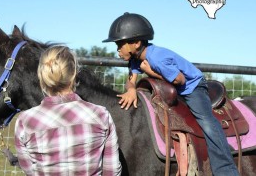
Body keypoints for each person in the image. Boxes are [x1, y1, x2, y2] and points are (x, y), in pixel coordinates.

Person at [102, 12, 239, 176]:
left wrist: (149, 71)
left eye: (120, 45)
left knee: (206, 121)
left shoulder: (156, 59)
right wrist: (131, 89)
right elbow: (131, 79)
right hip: (175, 88)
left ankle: (227, 170)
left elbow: (179, 80)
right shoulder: (135, 59)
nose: (117, 50)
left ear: (136, 43)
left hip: (192, 87)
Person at [14, 45, 122, 176]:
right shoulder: (101, 115)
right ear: (74, 74)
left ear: (42, 76)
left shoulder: (25, 122)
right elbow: (112, 171)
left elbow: (29, 171)